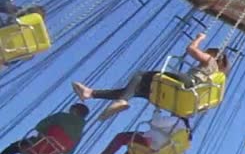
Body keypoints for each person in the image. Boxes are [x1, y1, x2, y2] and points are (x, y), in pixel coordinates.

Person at [72, 33, 228, 120]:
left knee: (141, 74)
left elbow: (190, 49)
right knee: (137, 89)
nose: (204, 54)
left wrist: (199, 38)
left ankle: (120, 100)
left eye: (207, 52)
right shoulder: (216, 78)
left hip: (188, 84)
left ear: (214, 55)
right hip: (186, 97)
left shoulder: (210, 61)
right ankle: (92, 93)